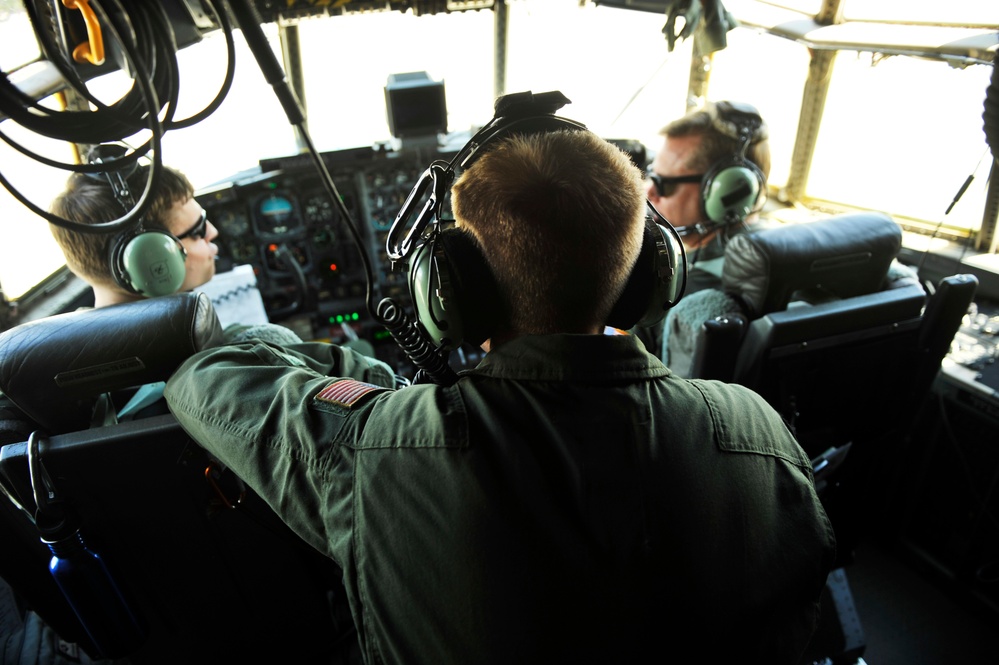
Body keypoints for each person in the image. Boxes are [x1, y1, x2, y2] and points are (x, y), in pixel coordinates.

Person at [164, 97, 836, 665]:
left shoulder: (378, 450)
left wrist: (361, 376)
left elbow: (209, 375)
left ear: (450, 290)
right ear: (643, 275)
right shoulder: (756, 427)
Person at [636, 99, 774, 358]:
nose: (649, 191)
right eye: (651, 174)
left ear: (730, 192)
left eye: (664, 183)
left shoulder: (675, 295)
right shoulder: (780, 252)